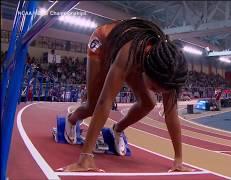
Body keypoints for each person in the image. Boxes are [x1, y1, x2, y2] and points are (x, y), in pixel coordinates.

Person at [59, 19, 191, 172]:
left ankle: (117, 129)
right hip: (103, 43)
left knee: (149, 102)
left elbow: (171, 114)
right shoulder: (129, 53)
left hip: (136, 57)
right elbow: (106, 101)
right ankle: (72, 119)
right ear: (146, 70)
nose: (159, 92)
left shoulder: (170, 71)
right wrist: (85, 156)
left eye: (163, 91)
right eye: (155, 87)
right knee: (93, 105)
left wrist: (178, 159)